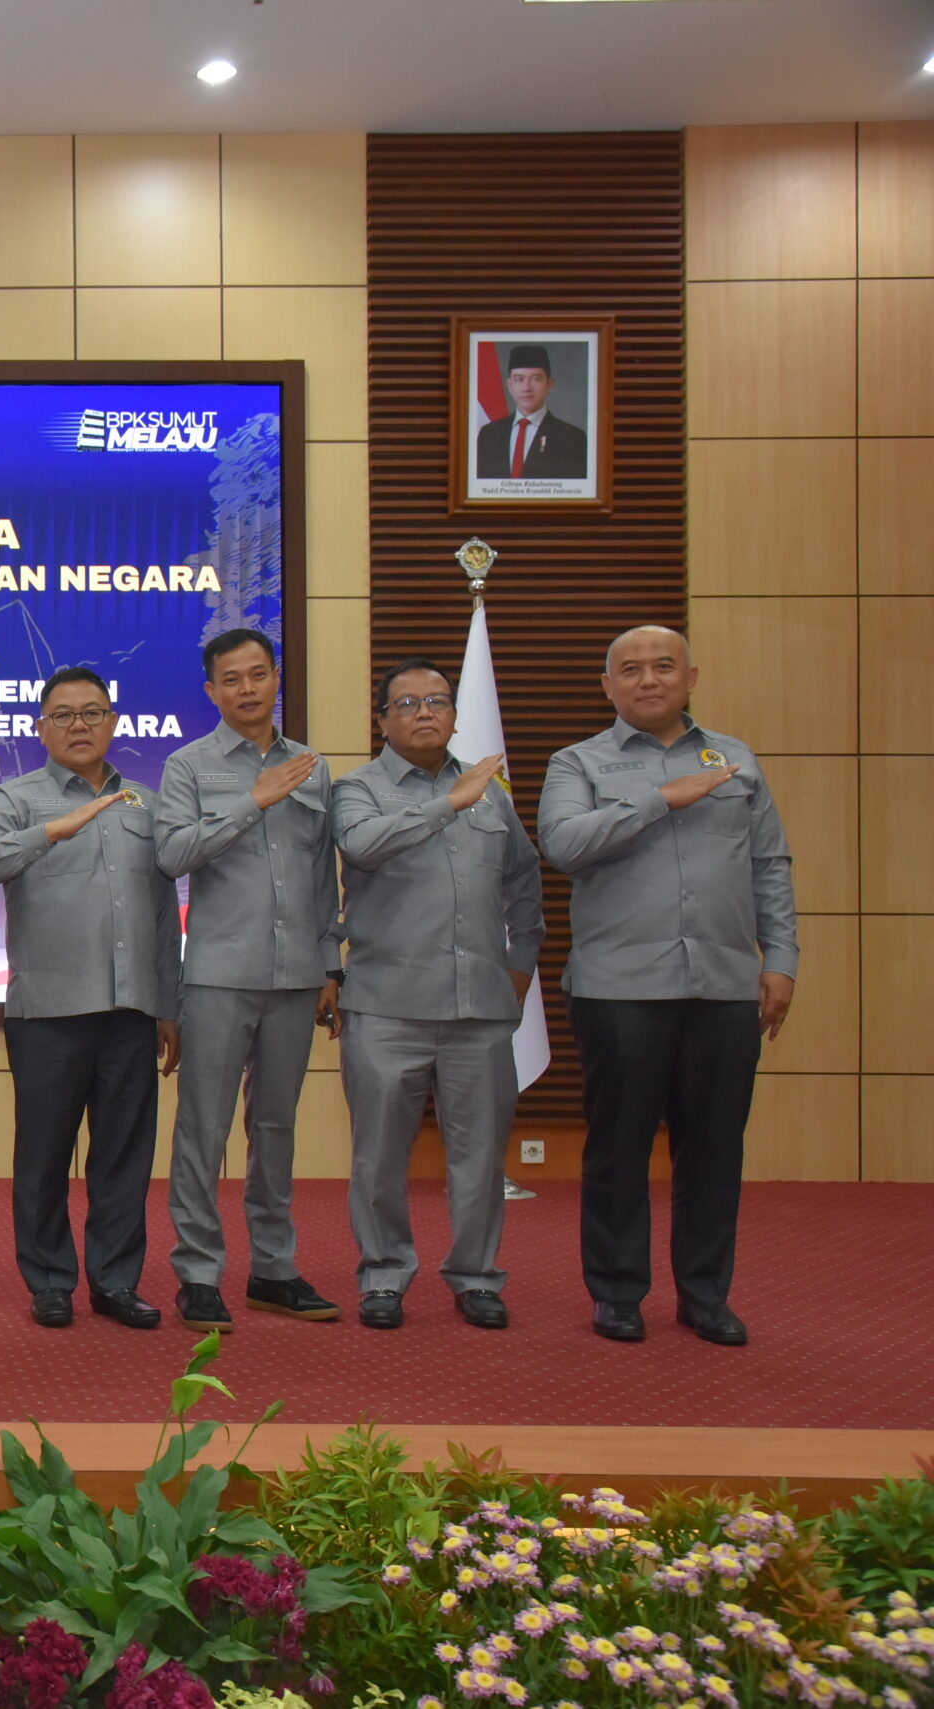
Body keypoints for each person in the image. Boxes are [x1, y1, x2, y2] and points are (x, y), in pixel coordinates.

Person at [538, 625, 796, 1347]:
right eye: (631, 669)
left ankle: (705, 1294)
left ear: (691, 676)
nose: (648, 679)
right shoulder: (577, 761)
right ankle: (618, 1293)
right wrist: (662, 798)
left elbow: (770, 864)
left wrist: (780, 958)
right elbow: (563, 845)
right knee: (619, 1148)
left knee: (714, 1147)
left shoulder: (736, 758)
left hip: (724, 985)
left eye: (663, 666)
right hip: (619, 987)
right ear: (608, 684)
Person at [0, 667, 180, 1332]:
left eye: (92, 712)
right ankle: (50, 1280)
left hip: (132, 1009)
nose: (79, 725)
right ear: (40, 729)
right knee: (45, 1156)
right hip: (48, 1012)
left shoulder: (145, 802)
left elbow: (166, 912)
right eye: (63, 715)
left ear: (113, 723)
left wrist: (169, 1003)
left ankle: (114, 1281)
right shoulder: (16, 799)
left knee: (124, 1158)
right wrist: (48, 832)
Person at [331, 660, 544, 1333]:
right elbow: (362, 847)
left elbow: (525, 885)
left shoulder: (494, 793)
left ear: (454, 713)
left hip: (480, 1010)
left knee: (479, 1157)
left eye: (438, 701)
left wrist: (518, 966)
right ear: (383, 719)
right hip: (386, 1007)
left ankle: (477, 1275)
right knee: (378, 1157)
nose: (426, 712)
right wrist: (447, 804)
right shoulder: (356, 789)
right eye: (408, 703)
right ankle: (384, 1274)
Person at [156, 628, 344, 1333]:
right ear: (211, 690)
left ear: (275, 679)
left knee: (277, 1126)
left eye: (257, 675)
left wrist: (330, 961)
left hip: (296, 974)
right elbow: (172, 852)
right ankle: (199, 1273)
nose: (246, 688)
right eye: (230, 679)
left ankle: (273, 1268)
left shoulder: (312, 766)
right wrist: (251, 802)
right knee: (203, 1130)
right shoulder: (188, 765)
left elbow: (324, 876)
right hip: (216, 975)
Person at [474, 344, 588, 480]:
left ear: (550, 384)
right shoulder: (488, 434)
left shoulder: (572, 438)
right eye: (519, 379)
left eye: (536, 379)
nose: (526, 387)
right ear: (509, 385)